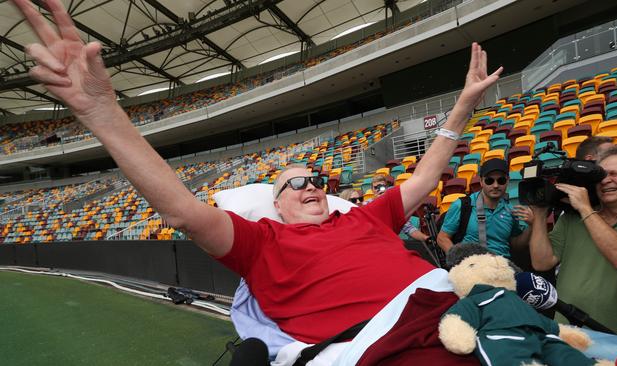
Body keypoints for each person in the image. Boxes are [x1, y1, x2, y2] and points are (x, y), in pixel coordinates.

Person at [11, 0, 501, 353]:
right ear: (276, 206)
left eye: (314, 180)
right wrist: (102, 112)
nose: (310, 186)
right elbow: (181, 211)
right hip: (387, 346)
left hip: (460, 306)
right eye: (294, 184)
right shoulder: (261, 242)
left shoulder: (364, 219)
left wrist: (460, 109)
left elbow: (422, 180)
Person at [528, 147, 617, 337]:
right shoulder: (571, 218)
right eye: (600, 175)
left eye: (615, 174)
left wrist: (586, 209)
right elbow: (542, 262)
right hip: (568, 332)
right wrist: (540, 215)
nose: (606, 180)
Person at [437, 158, 532, 258]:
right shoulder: (462, 205)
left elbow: (516, 246)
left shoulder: (511, 210)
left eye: (501, 180)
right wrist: (460, 261)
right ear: (481, 182)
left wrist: (531, 226)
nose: (495, 185)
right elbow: (442, 238)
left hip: (503, 267)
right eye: (489, 180)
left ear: (507, 181)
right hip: (471, 266)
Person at [369, 174, 430, 242]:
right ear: (372, 190)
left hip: (389, 242)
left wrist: (426, 238)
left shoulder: (393, 206)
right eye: (376, 187)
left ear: (386, 187)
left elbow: (408, 228)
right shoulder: (366, 205)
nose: (378, 189)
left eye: (381, 186)